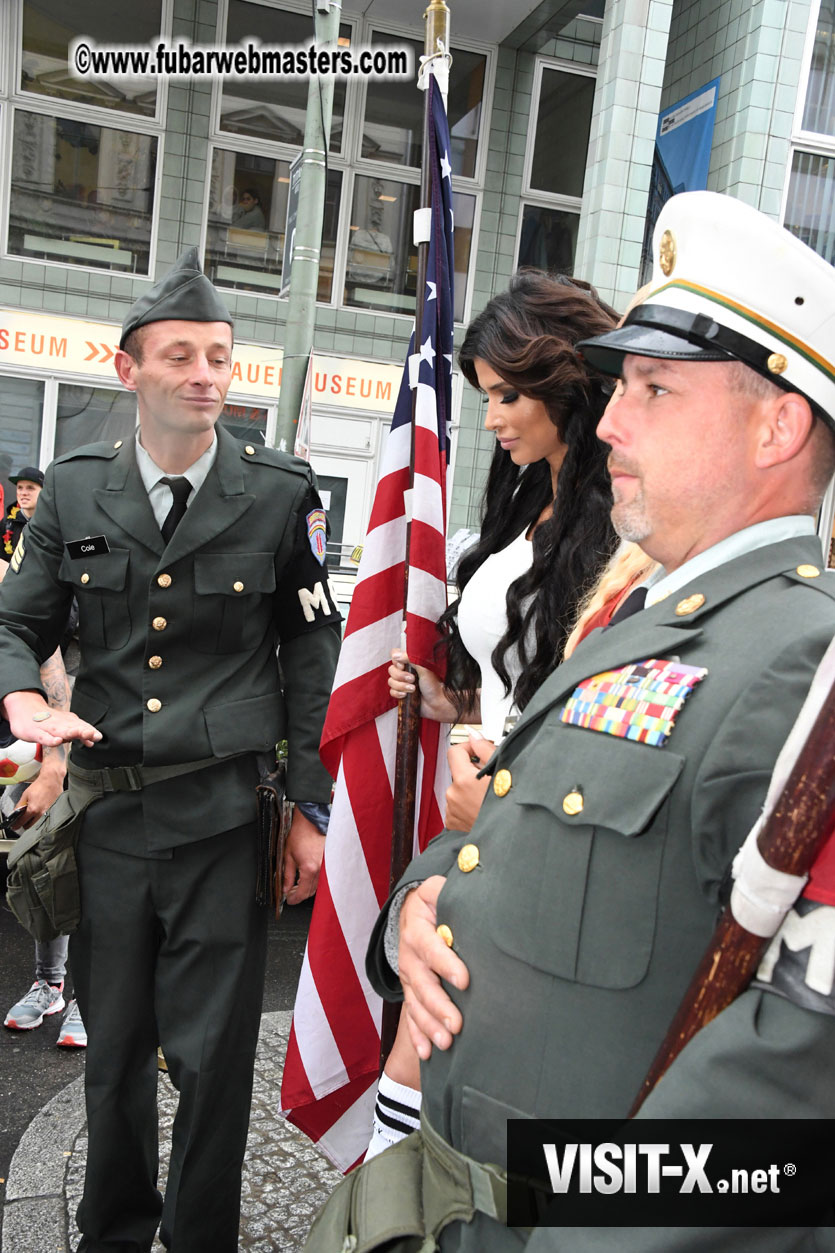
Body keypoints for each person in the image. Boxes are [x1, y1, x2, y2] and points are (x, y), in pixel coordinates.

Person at [356, 190, 835, 1252]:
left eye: (655, 389)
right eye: (622, 386)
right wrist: (416, 911)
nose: (609, 418)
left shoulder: (804, 660)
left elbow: (800, 1073)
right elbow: (505, 839)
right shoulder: (648, 619)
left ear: (777, 422)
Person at [0, 247, 341, 1253]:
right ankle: (111, 1235)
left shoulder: (280, 492)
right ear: (129, 369)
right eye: (181, 355)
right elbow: (15, 619)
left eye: (221, 357)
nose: (205, 375)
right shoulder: (71, 491)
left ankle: (198, 1241)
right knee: (111, 1057)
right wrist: (21, 694)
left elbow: (312, 647)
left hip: (224, 818)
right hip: (107, 819)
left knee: (213, 1058)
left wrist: (314, 808)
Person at [370, 271, 620, 1156]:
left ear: (567, 381)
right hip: (479, 817)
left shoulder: (626, 522)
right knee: (426, 1048)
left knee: (444, 1056)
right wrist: (451, 700)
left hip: (538, 828)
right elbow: (519, 673)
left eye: (508, 394)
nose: (493, 418)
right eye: (486, 397)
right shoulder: (527, 497)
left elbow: (596, 706)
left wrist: (505, 792)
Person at [0, 482, 87, 1047]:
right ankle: (50, 984)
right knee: (42, 864)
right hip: (33, 735)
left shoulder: (87, 541)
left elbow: (55, 660)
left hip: (86, 731)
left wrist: (56, 767)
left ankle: (87, 994)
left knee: (84, 864)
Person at [2, 466, 43, 562]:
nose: (24, 493)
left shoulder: (53, 525)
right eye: (20, 488)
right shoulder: (5, 525)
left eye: (30, 488)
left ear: (44, 491)